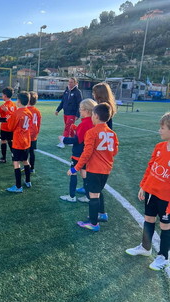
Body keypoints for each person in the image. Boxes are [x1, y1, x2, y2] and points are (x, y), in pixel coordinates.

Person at [125, 112, 170, 271]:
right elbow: (151, 167)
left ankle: (163, 256)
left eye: (162, 127)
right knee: (149, 219)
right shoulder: (159, 147)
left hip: (167, 199)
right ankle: (145, 247)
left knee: (165, 226)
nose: (159, 130)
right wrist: (144, 186)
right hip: (152, 192)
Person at [67, 103, 119, 231]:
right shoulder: (112, 133)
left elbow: (86, 154)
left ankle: (93, 223)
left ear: (95, 115)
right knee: (98, 191)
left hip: (94, 169)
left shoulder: (92, 132)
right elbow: (114, 151)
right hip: (106, 169)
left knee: (93, 195)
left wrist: (75, 168)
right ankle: (102, 214)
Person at [76, 82, 117, 195]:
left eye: (94, 92)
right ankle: (89, 189)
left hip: (99, 139)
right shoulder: (106, 105)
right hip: (103, 139)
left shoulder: (102, 107)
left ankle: (89, 190)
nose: (93, 94)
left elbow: (102, 126)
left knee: (90, 166)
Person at [59, 99, 96, 203]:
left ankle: (71, 196)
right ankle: (88, 196)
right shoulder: (92, 122)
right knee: (84, 174)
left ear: (87, 111)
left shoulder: (84, 123)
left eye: (81, 109)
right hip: (88, 153)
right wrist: (77, 129)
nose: (79, 111)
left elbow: (77, 140)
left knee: (73, 173)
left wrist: (63, 139)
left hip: (79, 153)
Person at [6, 91, 33, 193]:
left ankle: (18, 186)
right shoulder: (29, 111)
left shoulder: (17, 113)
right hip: (26, 141)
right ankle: (28, 181)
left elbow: (10, 127)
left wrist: (9, 119)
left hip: (18, 141)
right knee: (26, 160)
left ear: (19, 101)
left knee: (16, 162)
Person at [55, 77, 82, 148]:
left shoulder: (77, 92)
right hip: (66, 113)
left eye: (71, 82)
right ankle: (73, 141)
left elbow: (80, 104)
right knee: (71, 127)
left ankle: (63, 142)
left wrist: (77, 114)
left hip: (72, 113)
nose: (69, 83)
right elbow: (63, 101)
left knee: (67, 127)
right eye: (69, 82)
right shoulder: (66, 91)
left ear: (75, 83)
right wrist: (58, 110)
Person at [0, 87, 17, 163]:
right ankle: (14, 156)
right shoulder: (14, 105)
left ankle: (3, 158)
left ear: (4, 95)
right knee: (11, 142)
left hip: (5, 128)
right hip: (12, 128)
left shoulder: (4, 106)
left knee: (3, 141)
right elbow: (15, 115)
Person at [27, 91, 42, 173]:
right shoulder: (37, 111)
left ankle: (27, 165)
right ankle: (32, 167)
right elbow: (39, 123)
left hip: (26, 134)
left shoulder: (25, 110)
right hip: (34, 134)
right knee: (32, 151)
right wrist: (37, 132)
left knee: (25, 151)